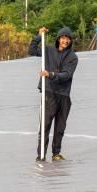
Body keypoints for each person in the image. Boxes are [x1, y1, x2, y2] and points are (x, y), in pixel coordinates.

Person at [28, 26, 79, 162]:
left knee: (60, 126)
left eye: (68, 38)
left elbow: (67, 75)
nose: (65, 41)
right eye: (63, 38)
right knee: (45, 125)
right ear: (58, 39)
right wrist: (39, 36)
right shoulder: (48, 50)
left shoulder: (73, 57)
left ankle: (56, 153)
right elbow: (31, 50)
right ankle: (41, 155)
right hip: (49, 92)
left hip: (63, 95)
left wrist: (50, 74)